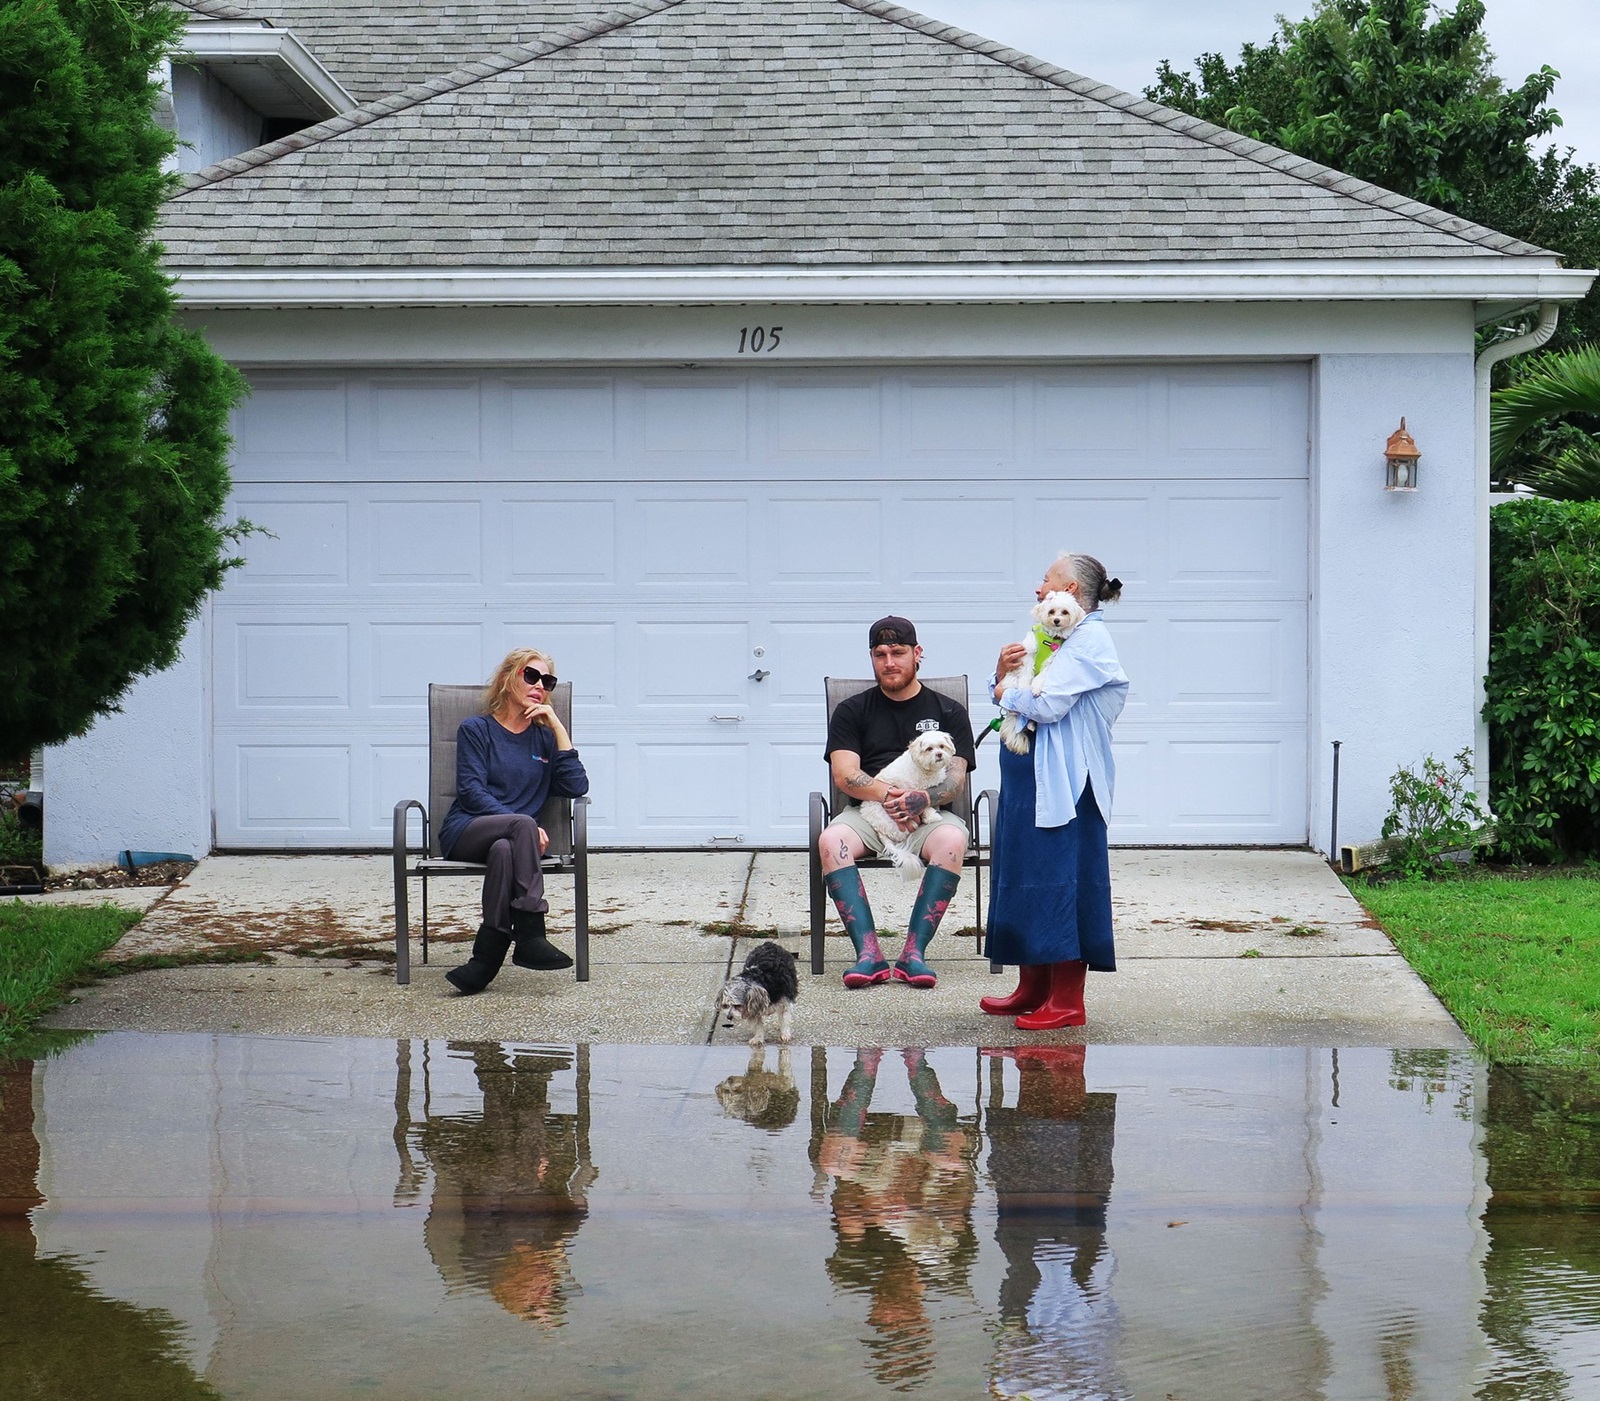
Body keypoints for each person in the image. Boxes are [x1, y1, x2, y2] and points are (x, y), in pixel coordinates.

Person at [981, 554, 1128, 1029]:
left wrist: (1004, 692)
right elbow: (1008, 688)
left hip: (1068, 782)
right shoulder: (1046, 635)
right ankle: (1032, 988)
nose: (1038, 588)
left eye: (1046, 579)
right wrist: (999, 673)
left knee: (1062, 880)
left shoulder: (1090, 640)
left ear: (1072, 591)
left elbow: (1048, 707)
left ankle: (1066, 1000)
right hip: (1029, 778)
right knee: (1025, 876)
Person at [820, 617, 978, 989]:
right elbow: (845, 775)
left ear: (917, 654)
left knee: (953, 841)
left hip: (931, 816)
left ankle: (913, 955)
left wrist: (922, 798)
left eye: (898, 653)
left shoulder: (949, 710)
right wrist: (891, 796)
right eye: (880, 654)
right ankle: (869, 955)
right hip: (868, 811)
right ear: (872, 658)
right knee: (831, 841)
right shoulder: (852, 710)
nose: (889, 662)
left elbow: (955, 780)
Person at [438, 648, 589, 994]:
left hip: (513, 842)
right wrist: (522, 821)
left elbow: (576, 786)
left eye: (547, 681)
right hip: (467, 829)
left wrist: (557, 726)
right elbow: (472, 792)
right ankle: (531, 932)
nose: (540, 686)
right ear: (508, 679)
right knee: (519, 827)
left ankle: (483, 962)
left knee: (506, 850)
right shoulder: (476, 729)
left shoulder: (543, 739)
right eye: (531, 676)